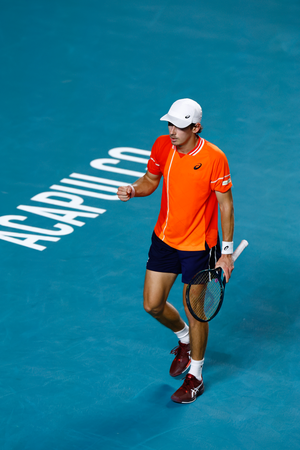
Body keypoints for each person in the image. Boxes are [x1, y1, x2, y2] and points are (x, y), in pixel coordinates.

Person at [117, 98, 234, 404]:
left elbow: (226, 205)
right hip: (165, 239)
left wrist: (226, 253)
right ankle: (183, 340)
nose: (172, 131)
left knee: (196, 312)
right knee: (152, 304)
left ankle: (196, 376)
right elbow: (150, 181)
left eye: (179, 127)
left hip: (199, 246)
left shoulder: (214, 158)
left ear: (196, 128)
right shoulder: (162, 146)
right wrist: (133, 189)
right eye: (169, 124)